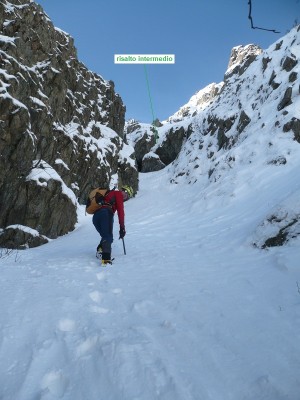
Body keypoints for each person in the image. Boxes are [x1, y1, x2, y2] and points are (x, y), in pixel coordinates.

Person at [86, 185, 134, 265]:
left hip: (96, 217)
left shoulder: (109, 195)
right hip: (106, 213)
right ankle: (106, 260)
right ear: (123, 191)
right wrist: (122, 228)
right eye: (126, 194)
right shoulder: (118, 194)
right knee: (108, 237)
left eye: (127, 197)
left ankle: (100, 251)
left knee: (106, 236)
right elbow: (120, 212)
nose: (125, 197)